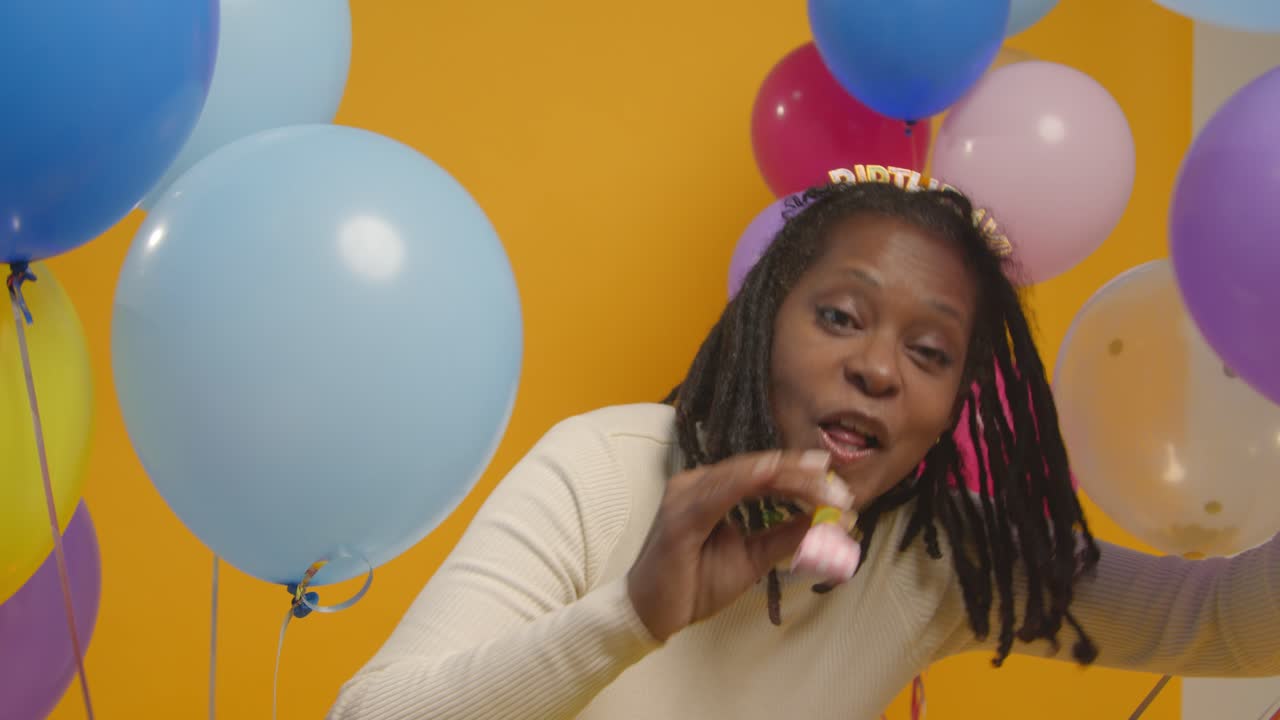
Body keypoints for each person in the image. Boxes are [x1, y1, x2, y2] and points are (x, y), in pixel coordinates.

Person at [326, 180, 1280, 719]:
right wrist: (629, 617)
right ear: (762, 325)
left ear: (953, 405)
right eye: (840, 317)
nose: (877, 368)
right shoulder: (601, 470)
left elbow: (1223, 621)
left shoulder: (941, 557)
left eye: (930, 352)